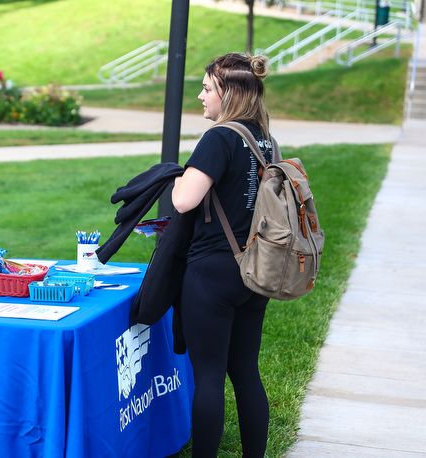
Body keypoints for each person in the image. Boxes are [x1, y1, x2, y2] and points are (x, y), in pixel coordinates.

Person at [171, 52, 273, 457]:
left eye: (207, 88)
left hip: (213, 272)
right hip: (255, 270)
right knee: (246, 372)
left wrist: (178, 176)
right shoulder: (264, 138)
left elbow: (183, 200)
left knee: (209, 377)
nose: (201, 95)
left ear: (227, 93)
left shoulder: (219, 137)